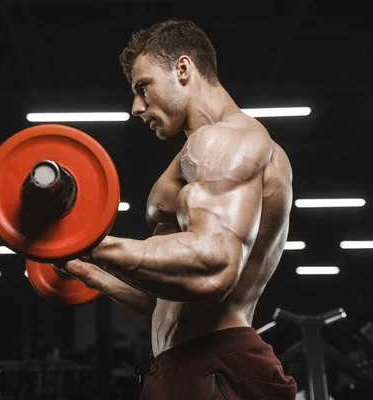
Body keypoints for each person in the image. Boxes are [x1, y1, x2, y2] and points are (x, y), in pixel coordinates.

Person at [59, 19, 297, 399]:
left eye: (143, 88)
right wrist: (87, 269)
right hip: (182, 368)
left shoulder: (229, 140)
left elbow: (216, 266)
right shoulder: (198, 153)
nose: (137, 107)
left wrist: (90, 244)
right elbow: (162, 299)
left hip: (219, 367)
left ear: (182, 69)